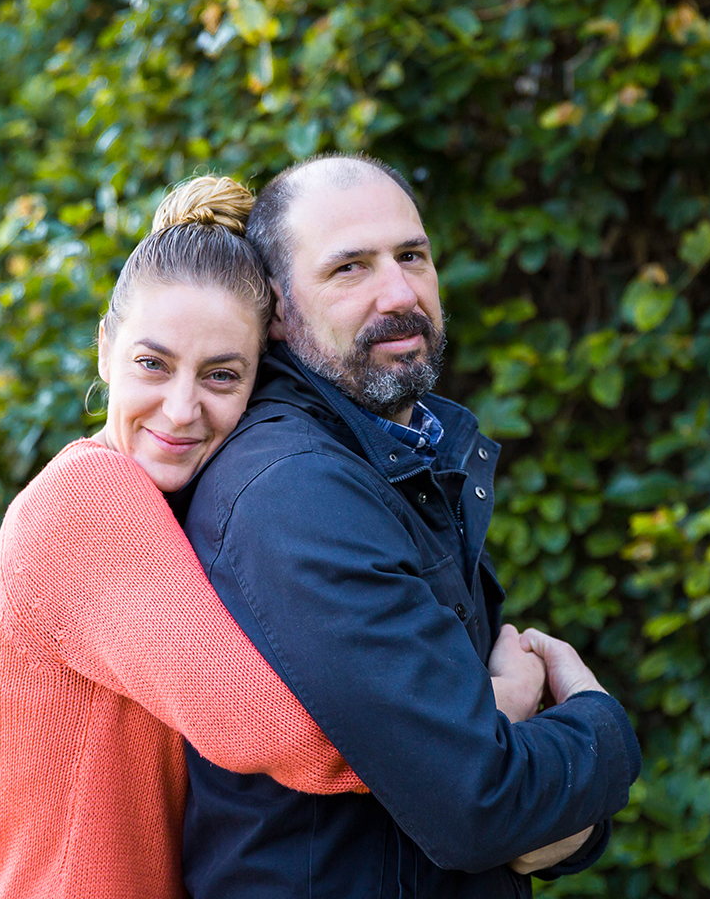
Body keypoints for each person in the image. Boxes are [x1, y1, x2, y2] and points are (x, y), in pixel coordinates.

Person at [0, 175, 554, 899]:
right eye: (153, 363)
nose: (181, 409)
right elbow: (275, 731)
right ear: (104, 349)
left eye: (221, 375)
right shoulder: (87, 501)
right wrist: (495, 714)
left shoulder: (159, 501)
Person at [178, 154, 644, 898]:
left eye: (411, 256)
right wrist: (601, 724)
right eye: (350, 269)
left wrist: (562, 820)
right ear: (274, 306)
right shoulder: (292, 494)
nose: (399, 293)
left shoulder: (396, 455)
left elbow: (501, 804)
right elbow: (480, 804)